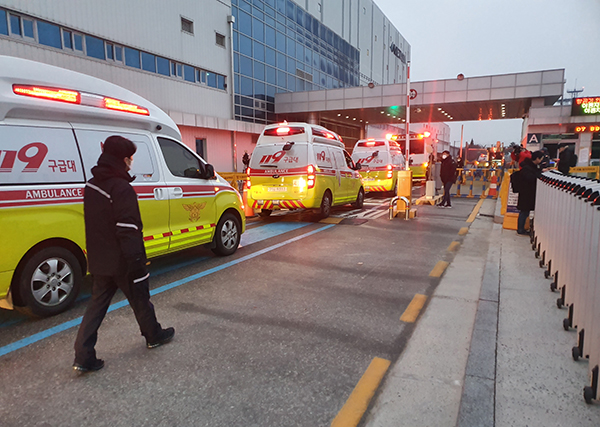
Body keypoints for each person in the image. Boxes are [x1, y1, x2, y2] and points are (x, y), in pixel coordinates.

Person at [73, 136, 174, 372]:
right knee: (140, 298)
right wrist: (137, 261)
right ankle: (153, 335)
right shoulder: (121, 188)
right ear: (122, 159)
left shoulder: (92, 186)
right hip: (123, 260)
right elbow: (128, 228)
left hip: (100, 259)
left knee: (96, 307)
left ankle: (83, 355)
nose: (131, 162)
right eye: (130, 158)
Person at [514, 150, 544, 235]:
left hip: (527, 193)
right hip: (526, 193)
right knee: (524, 212)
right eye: (541, 158)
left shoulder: (530, 166)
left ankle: (522, 228)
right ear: (537, 159)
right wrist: (539, 174)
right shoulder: (528, 168)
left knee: (525, 211)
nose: (541, 161)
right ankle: (520, 229)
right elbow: (530, 177)